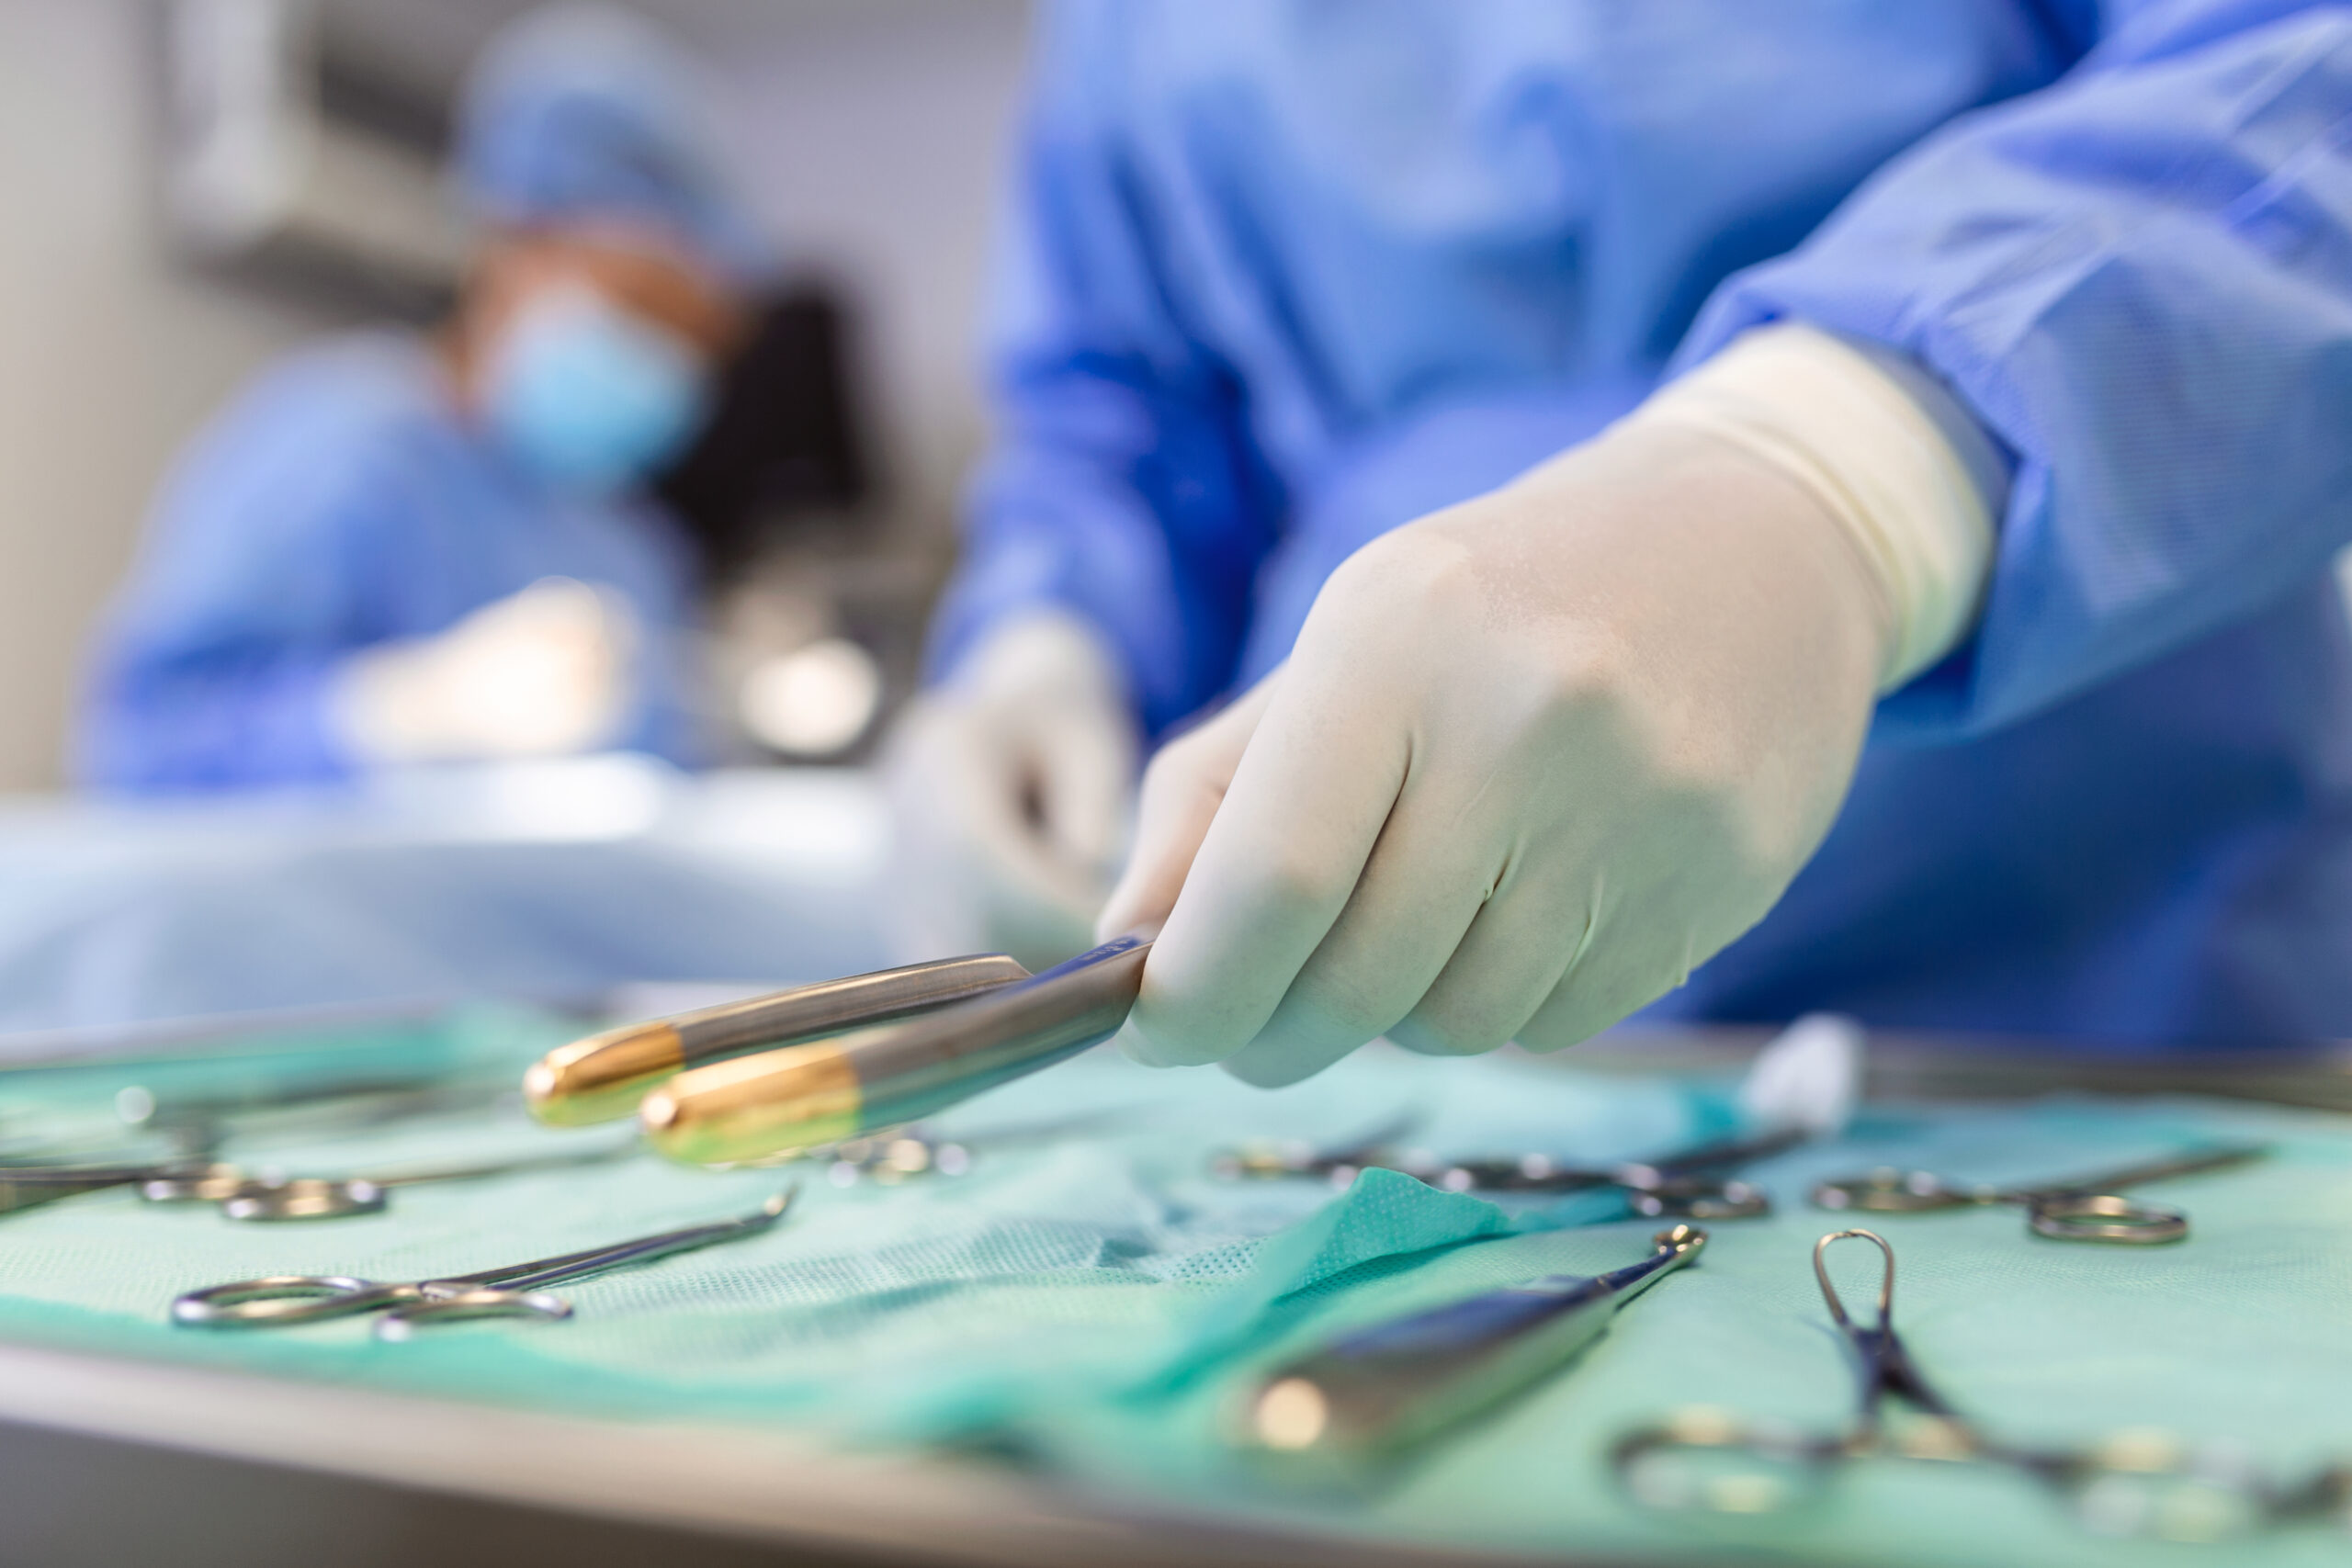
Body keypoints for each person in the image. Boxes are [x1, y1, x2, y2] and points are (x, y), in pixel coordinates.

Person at [894, 0, 2352, 1079]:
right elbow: (1130, 395)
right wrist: (1055, 632)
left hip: (2089, 1004)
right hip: (1370, 1043)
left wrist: (1851, 467)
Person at [77, 5, 763, 793]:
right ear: (512, 248)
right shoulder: (343, 451)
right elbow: (141, 749)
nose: (664, 363)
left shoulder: (634, 550)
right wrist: (398, 712)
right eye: (643, 308)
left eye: (698, 340)